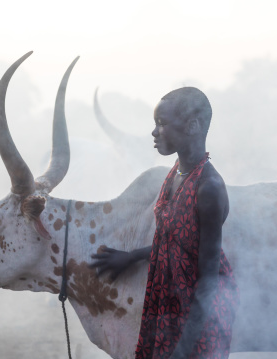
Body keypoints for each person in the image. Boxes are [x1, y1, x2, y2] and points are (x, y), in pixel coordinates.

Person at [90, 87, 239, 358]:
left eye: (162, 123)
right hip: (167, 305)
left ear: (193, 126)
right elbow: (177, 242)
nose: (154, 132)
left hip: (196, 318)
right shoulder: (176, 174)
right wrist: (132, 257)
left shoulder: (209, 188)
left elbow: (208, 280)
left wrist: (183, 349)